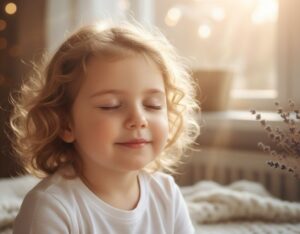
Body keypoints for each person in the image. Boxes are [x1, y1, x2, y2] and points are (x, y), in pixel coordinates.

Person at [10, 21, 200, 234]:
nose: (138, 119)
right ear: (65, 123)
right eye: (111, 106)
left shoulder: (166, 194)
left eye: (152, 105)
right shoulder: (50, 207)